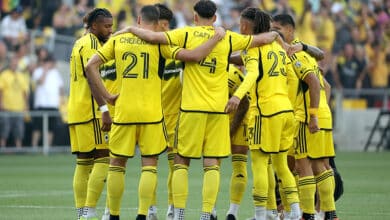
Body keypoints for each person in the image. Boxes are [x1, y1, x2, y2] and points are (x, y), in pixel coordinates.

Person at [119, 1, 285, 219]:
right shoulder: (228, 37)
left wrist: (131, 28)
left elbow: (152, 37)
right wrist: (282, 40)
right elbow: (264, 38)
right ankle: (207, 213)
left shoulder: (186, 34)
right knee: (212, 164)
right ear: (215, 18)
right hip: (218, 110)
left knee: (181, 162)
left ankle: (177, 213)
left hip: (191, 110)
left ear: (195, 17)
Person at [85, 5, 226, 220]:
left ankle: (112, 215)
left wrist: (107, 96)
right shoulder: (161, 45)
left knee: (116, 165)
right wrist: (217, 37)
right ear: (158, 22)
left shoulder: (117, 40)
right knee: (149, 166)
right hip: (152, 114)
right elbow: (194, 56)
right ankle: (143, 214)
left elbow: (90, 66)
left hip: (124, 111)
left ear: (139, 19)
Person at [225, 8, 301, 220]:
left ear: (246, 26)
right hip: (286, 110)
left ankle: (260, 215)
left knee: (259, 163)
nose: (239, 27)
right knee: (280, 164)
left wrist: (237, 96)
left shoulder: (252, 49)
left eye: (241, 24)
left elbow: (254, 74)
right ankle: (295, 213)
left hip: (265, 112)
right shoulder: (278, 49)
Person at [271, 14, 338, 220]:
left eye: (279, 29)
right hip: (321, 114)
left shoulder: (295, 54)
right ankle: (329, 214)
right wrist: (321, 110)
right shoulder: (305, 51)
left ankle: (305, 214)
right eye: (272, 29)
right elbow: (326, 85)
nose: (275, 33)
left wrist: (312, 114)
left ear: (290, 30)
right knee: (322, 165)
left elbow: (315, 84)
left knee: (302, 166)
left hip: (305, 116)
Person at [67, 8, 113, 220]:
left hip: (75, 110)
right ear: (94, 26)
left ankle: (81, 213)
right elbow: (91, 77)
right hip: (90, 110)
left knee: (83, 163)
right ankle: (90, 210)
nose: (110, 30)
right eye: (107, 26)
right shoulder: (92, 44)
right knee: (104, 158)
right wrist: (104, 109)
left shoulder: (78, 42)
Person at [146, 3, 183, 220]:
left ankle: (170, 208)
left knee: (172, 165)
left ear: (164, 24)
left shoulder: (177, 46)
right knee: (151, 166)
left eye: (153, 23)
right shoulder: (150, 46)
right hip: (153, 116)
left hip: (170, 116)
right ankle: (151, 210)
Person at [31, 54, 64, 147]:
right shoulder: (38, 71)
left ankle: (47, 148)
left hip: (53, 105)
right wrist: (45, 71)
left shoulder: (55, 73)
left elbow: (60, 87)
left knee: (50, 128)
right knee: (37, 128)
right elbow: (40, 82)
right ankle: (34, 147)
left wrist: (61, 99)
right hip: (41, 104)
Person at [0, 55, 29, 148]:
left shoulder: (21, 76)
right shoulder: (4, 75)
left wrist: (26, 105)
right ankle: (3, 148)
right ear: (10, 63)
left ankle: (18, 148)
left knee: (19, 130)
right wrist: (1, 103)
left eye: (16, 62)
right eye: (13, 62)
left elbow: (25, 92)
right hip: (6, 108)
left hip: (19, 108)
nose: (14, 64)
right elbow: (1, 90)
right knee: (4, 130)